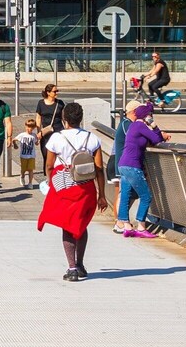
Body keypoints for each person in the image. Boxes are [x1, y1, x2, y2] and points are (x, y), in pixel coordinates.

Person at [38, 103, 107, 282]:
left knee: (67, 226)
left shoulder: (56, 138)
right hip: (86, 188)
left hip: (65, 187)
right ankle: (81, 263)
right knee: (81, 225)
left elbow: (49, 165)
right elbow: (99, 169)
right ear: (81, 118)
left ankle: (72, 268)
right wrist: (102, 195)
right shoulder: (92, 139)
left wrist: (50, 180)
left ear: (64, 119)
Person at [116, 103, 170, 238]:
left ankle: (126, 226)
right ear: (147, 116)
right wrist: (155, 126)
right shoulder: (140, 125)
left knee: (125, 196)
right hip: (133, 166)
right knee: (146, 197)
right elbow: (156, 139)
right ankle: (141, 226)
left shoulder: (134, 126)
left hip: (123, 164)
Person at [33, 84, 66, 167]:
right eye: (54, 91)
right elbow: (38, 118)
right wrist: (39, 132)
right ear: (48, 92)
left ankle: (56, 173)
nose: (56, 93)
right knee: (45, 154)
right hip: (46, 133)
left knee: (58, 154)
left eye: (57, 91)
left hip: (58, 132)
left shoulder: (60, 103)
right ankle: (48, 176)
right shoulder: (41, 103)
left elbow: (64, 118)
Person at [13, 118, 40, 189]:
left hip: (31, 155)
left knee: (31, 169)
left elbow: (36, 143)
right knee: (23, 169)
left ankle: (30, 183)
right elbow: (14, 139)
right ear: (25, 126)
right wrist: (15, 145)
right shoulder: (22, 135)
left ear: (33, 128)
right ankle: (22, 176)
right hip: (23, 155)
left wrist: (38, 140)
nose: (29, 129)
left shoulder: (34, 136)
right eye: (28, 127)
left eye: (31, 127)